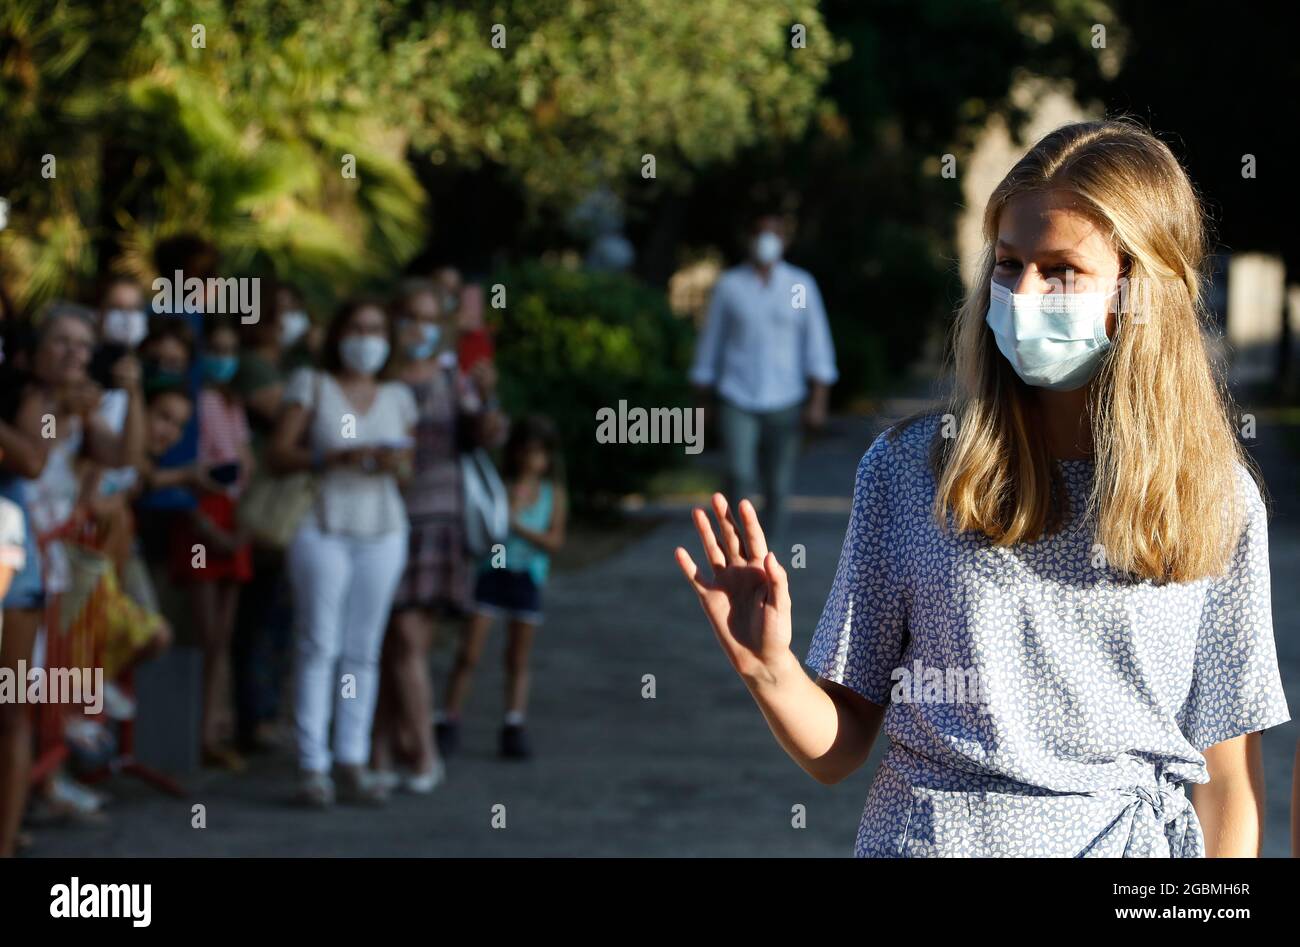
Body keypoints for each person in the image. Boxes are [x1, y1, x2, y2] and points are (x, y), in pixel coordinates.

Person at [675, 120, 1290, 858]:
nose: (1024, 294)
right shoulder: (909, 472)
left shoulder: (1218, 500)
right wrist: (769, 668)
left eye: (1061, 269)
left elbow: (1227, 785)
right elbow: (838, 746)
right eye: (1008, 263)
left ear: (1141, 291)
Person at [269, 298, 415, 807]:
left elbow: (409, 467)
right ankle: (313, 764)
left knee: (363, 649)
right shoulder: (311, 384)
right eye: (356, 327)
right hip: (323, 523)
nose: (367, 337)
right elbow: (279, 452)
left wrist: (391, 461)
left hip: (383, 527)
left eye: (376, 327)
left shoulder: (398, 395)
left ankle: (351, 757)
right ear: (338, 333)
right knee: (319, 645)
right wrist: (337, 455)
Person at [370, 279, 499, 791]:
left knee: (406, 639)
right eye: (409, 317)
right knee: (383, 646)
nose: (418, 328)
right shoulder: (378, 380)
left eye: (427, 318)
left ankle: (420, 752)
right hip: (380, 520)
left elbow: (485, 435)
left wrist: (486, 402)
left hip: (434, 524)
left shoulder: (452, 378)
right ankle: (383, 752)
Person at [689, 208, 838, 552]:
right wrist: (702, 400)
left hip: (786, 399)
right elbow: (711, 345)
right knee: (738, 473)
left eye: (774, 233)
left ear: (784, 240)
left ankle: (768, 555)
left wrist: (818, 400)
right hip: (736, 396)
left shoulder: (801, 285)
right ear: (749, 238)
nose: (766, 241)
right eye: (760, 233)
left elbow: (817, 346)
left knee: (778, 484)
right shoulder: (729, 286)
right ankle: (734, 548)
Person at [443, 416, 566, 760]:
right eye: (527, 453)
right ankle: (449, 717)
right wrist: (509, 509)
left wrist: (519, 526)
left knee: (518, 656)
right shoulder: (500, 485)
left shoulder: (553, 494)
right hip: (493, 570)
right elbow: (489, 527)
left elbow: (555, 541)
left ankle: (514, 721)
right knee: (470, 650)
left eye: (539, 454)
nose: (532, 462)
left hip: (526, 575)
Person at [172, 318, 254, 769]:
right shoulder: (190, 403)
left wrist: (244, 523)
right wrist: (209, 530)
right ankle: (203, 731)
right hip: (202, 518)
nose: (224, 357)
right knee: (207, 637)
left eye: (231, 349)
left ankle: (216, 728)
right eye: (216, 349)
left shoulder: (230, 401)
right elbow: (184, 470)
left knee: (223, 636)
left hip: (234, 515)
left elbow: (246, 460)